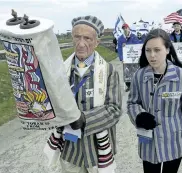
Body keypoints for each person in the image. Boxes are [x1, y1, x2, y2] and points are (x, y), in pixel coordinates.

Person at [127, 29, 182, 173]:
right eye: (148, 50)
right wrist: (139, 115)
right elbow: (132, 103)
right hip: (149, 142)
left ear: (168, 49)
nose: (152, 55)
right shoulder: (139, 76)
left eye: (157, 50)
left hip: (174, 142)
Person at [58, 15, 122, 173]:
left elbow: (115, 110)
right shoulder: (60, 70)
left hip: (98, 151)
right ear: (71, 38)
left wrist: (84, 119)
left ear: (97, 42)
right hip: (70, 149)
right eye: (77, 37)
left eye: (87, 38)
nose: (81, 44)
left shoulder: (108, 71)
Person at [117, 23, 141, 92]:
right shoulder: (120, 38)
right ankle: (128, 86)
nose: (125, 30)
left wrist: (137, 56)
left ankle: (136, 85)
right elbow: (119, 49)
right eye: (123, 29)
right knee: (126, 72)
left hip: (133, 57)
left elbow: (137, 46)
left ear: (128, 28)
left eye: (126, 28)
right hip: (126, 58)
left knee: (135, 71)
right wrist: (121, 58)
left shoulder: (134, 36)